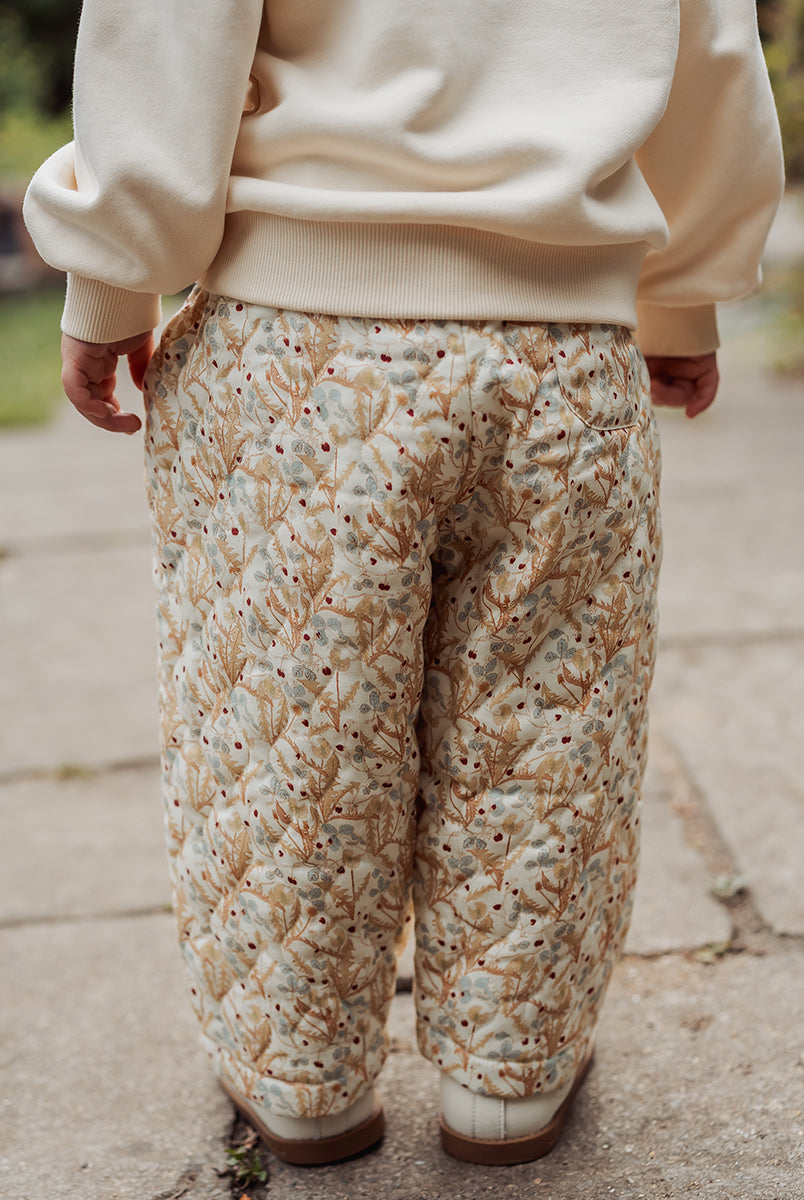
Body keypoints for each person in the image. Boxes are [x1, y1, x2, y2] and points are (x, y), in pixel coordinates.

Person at [24, 0, 783, 1169]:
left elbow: (169, 29)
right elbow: (712, 53)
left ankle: (302, 1081)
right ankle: (510, 1078)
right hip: (562, 360)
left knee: (295, 736)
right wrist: (680, 294)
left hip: (296, 355)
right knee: (549, 725)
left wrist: (115, 277)